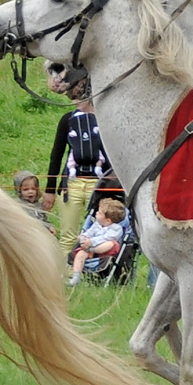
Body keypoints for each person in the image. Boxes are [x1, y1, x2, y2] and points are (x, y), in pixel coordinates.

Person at [44, 80, 110, 247]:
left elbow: (112, 154)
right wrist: (50, 190)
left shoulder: (105, 119)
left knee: (101, 234)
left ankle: (95, 263)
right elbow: (56, 155)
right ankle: (65, 264)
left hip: (98, 183)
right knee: (68, 237)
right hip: (72, 184)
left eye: (79, 97)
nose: (75, 101)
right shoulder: (68, 120)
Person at [69, 197, 129, 286]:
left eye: (100, 213)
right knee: (80, 254)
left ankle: (91, 250)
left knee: (111, 243)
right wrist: (83, 237)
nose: (96, 213)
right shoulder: (96, 225)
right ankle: (76, 277)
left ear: (108, 220)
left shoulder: (116, 228)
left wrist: (91, 242)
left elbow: (105, 238)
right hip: (89, 250)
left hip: (106, 252)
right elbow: (89, 233)